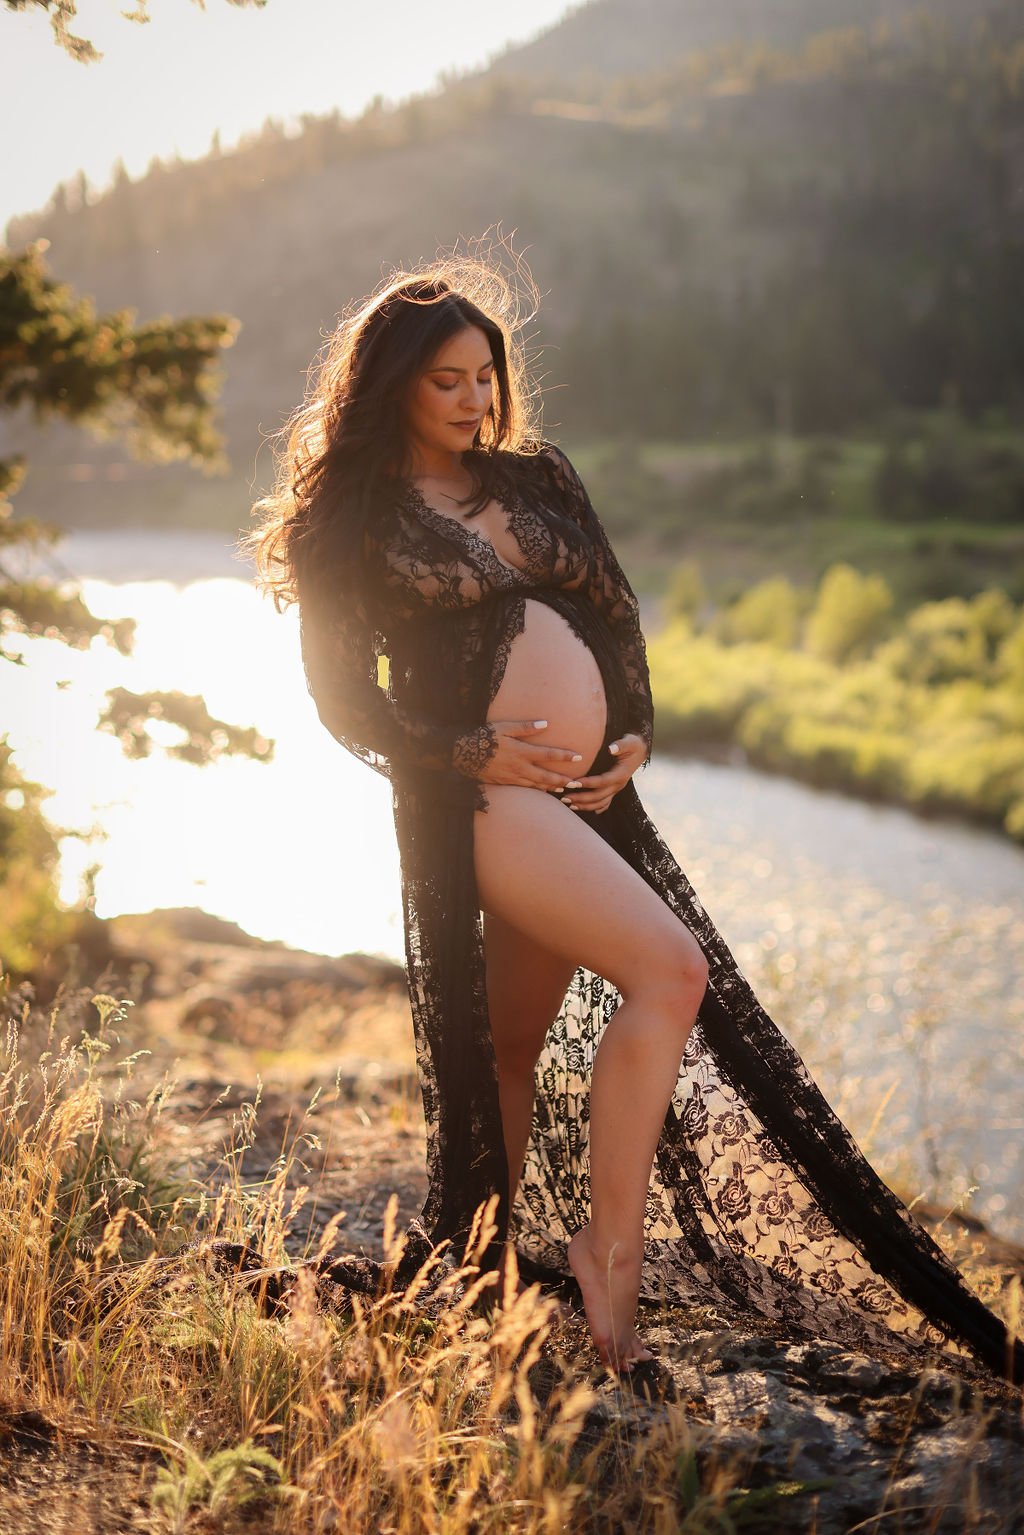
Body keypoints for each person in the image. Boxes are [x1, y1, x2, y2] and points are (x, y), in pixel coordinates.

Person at [249, 254, 1022, 1382]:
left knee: (512, 1044)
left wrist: (632, 736)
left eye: (484, 376)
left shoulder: (538, 478)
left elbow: (614, 614)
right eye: (446, 381)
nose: (474, 401)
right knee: (670, 970)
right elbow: (340, 696)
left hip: (581, 800)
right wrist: (469, 749)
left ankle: (478, 1265)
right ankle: (607, 1254)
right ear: (391, 386)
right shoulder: (354, 516)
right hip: (479, 799)